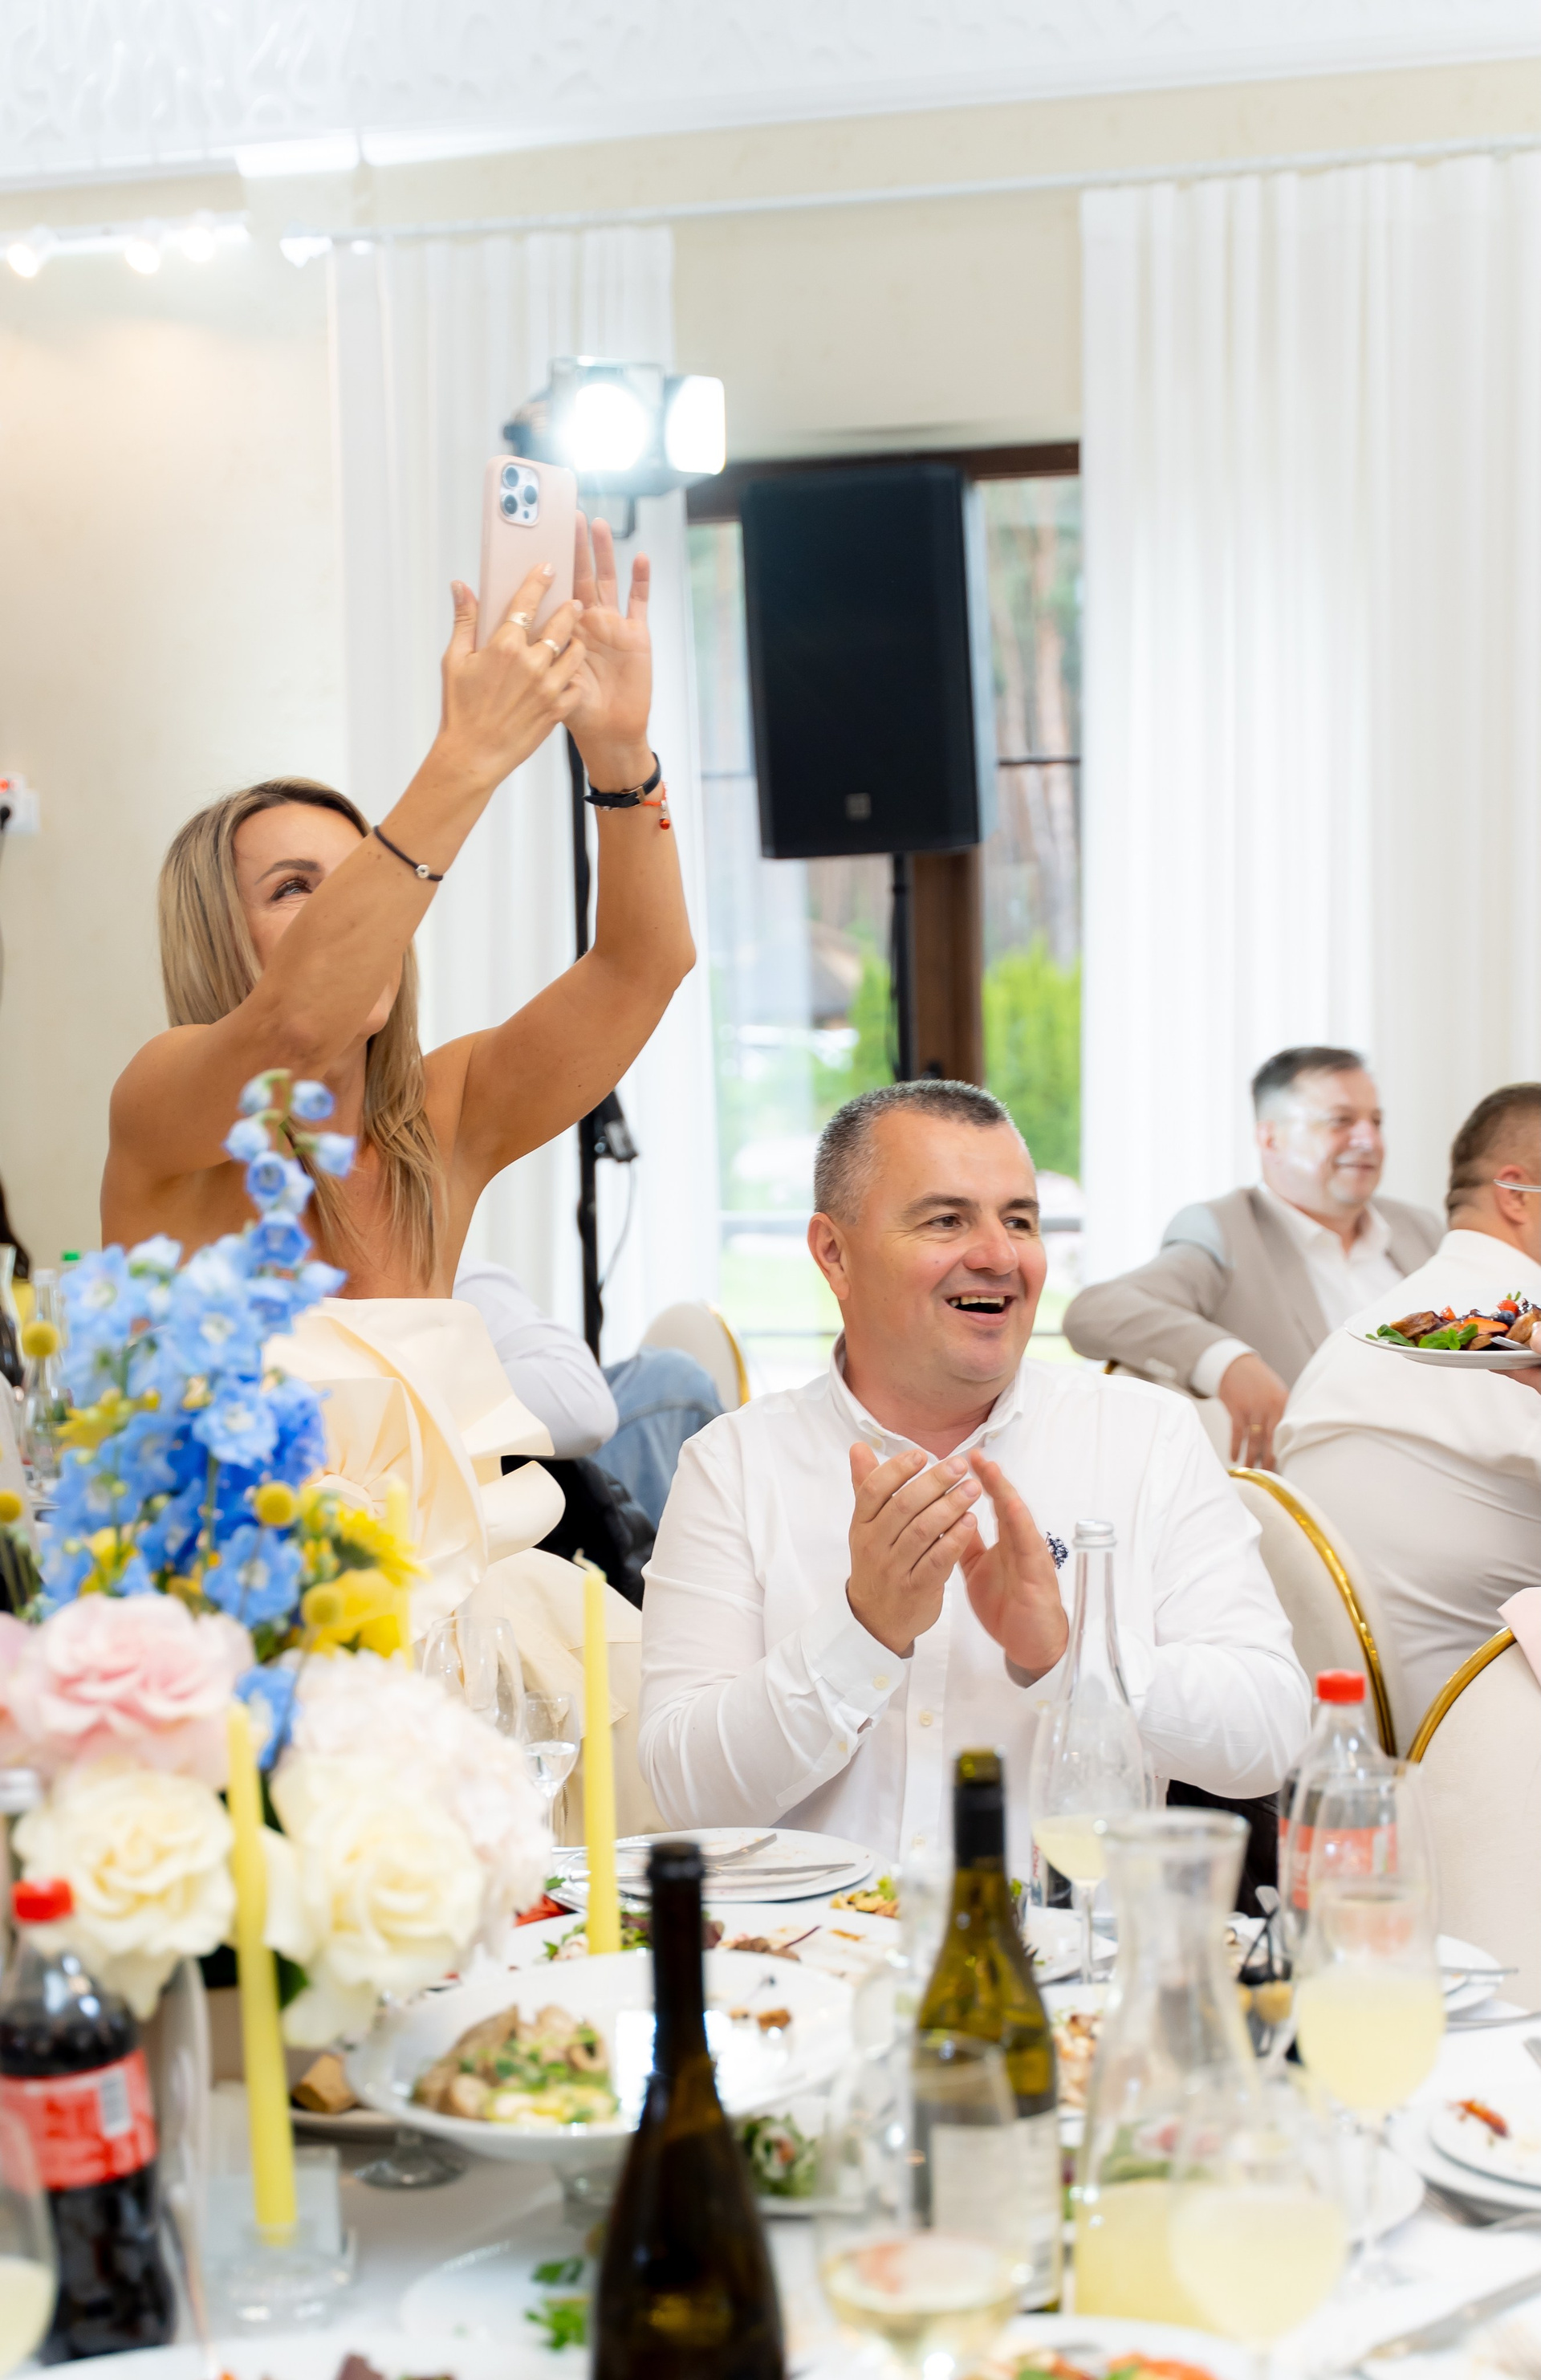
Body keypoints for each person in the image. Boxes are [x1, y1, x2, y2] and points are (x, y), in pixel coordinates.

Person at [638, 1080, 1308, 1875]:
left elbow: (1272, 1734)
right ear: (834, 1254)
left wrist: (1073, 1654)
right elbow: (685, 1793)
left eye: (1019, 1219)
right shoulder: (735, 1463)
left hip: (1067, 1942)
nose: (1000, 1255)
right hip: (812, 1944)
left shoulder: (1146, 1436)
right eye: (946, 1220)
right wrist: (862, 1630)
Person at [101, 519, 694, 1295]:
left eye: (361, 879)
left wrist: (621, 755)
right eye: (293, 887)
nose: (362, 913)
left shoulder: (444, 1122)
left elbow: (645, 965)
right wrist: (470, 752)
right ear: (217, 935)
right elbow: (295, 1028)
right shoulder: (159, 1100)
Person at [1278, 1084, 1541, 1740]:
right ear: (1516, 1194)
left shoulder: (1362, 1334)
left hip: (1343, 1740)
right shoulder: (1513, 1342)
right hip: (1493, 1744)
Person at [1063, 1046, 1440, 1470]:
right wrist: (1227, 1362)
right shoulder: (1223, 1230)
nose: (1369, 1141)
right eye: (1341, 1121)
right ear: (1270, 1139)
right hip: (1322, 1488)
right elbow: (1095, 1311)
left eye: (1376, 1121)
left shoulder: (1420, 1228)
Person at [454, 1258, 722, 1525]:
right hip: (509, 1498)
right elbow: (589, 1416)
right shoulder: (448, 1282)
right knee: (676, 1380)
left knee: (657, 1372)